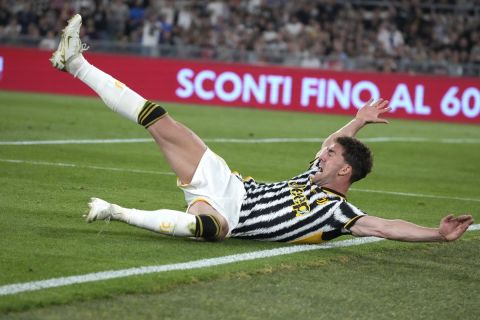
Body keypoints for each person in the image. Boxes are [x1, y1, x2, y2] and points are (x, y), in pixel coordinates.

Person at [50, 14, 474, 244]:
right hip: (228, 183)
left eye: (331, 156)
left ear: (345, 172)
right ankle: (76, 63)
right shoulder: (314, 175)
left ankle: (114, 211)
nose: (323, 152)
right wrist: (359, 122)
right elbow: (332, 141)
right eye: (326, 152)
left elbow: (386, 227)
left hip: (228, 218)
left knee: (207, 229)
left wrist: (436, 234)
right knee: (160, 120)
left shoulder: (339, 212)